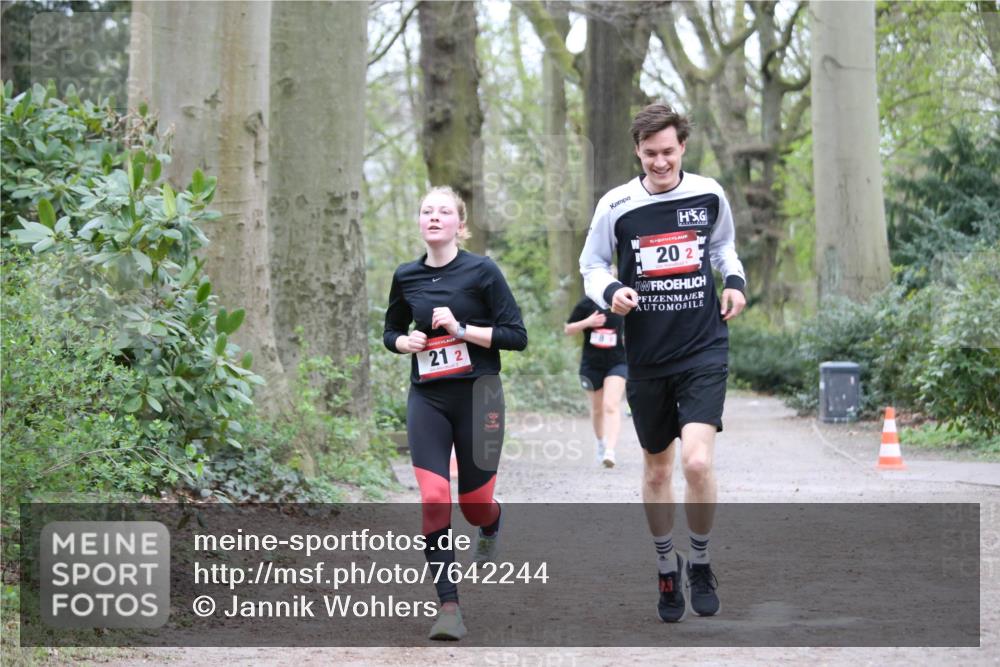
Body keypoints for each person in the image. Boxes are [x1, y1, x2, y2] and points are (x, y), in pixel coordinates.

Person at [579, 103, 746, 623]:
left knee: (696, 462)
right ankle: (665, 567)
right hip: (647, 353)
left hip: (702, 346)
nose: (659, 162)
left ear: (683, 148)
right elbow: (591, 265)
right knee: (657, 472)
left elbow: (723, 249)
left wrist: (735, 283)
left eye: (668, 152)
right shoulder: (616, 205)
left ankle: (699, 560)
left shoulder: (708, 193)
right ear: (637, 150)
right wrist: (611, 290)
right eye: (650, 153)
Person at [383, 186, 528, 640]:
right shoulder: (406, 275)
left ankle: (493, 521)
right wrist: (403, 342)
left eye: (444, 212)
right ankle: (449, 607)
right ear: (419, 222)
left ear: (459, 225)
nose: (434, 217)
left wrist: (462, 329)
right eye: (426, 210)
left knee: (474, 505)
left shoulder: (482, 272)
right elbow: (390, 330)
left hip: (479, 396)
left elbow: (516, 335)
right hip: (428, 397)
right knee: (432, 498)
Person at [564, 296, 627, 467]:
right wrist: (588, 322)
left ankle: (610, 451)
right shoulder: (586, 303)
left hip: (617, 363)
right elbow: (568, 329)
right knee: (597, 409)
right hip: (592, 365)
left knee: (611, 405)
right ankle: (601, 443)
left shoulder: (623, 303)